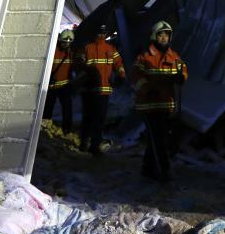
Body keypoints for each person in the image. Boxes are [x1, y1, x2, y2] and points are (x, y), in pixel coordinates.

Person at [131, 20, 187, 182]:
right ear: (154, 36)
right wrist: (147, 88)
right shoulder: (144, 57)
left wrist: (181, 77)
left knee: (157, 139)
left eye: (167, 35)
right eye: (161, 34)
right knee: (159, 140)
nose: (164, 37)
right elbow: (135, 76)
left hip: (165, 105)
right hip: (148, 106)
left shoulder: (173, 56)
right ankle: (163, 171)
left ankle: (147, 168)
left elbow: (183, 69)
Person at [75, 24, 126, 155]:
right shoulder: (87, 48)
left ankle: (95, 146)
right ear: (95, 34)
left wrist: (122, 75)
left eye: (104, 33)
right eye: (99, 33)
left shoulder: (110, 49)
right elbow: (79, 64)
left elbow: (118, 63)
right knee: (88, 118)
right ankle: (83, 144)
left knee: (99, 119)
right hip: (89, 90)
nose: (102, 35)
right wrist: (86, 71)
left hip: (103, 90)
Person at [43, 29, 76, 133]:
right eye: (64, 43)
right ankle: (44, 127)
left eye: (68, 43)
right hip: (52, 86)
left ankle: (67, 129)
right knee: (48, 107)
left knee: (67, 108)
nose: (66, 45)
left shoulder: (71, 53)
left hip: (65, 86)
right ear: (60, 41)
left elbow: (74, 67)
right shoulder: (53, 51)